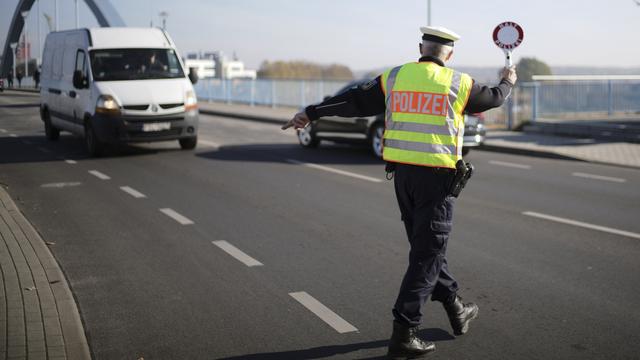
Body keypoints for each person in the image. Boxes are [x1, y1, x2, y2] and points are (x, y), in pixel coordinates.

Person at [282, 26, 517, 359]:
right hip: (437, 180)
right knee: (427, 253)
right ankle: (405, 330)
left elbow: (354, 101)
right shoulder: (459, 83)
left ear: (421, 47)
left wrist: (311, 112)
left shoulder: (395, 78)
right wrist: (509, 80)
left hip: (404, 177)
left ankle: (455, 306)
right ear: (449, 54)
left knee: (426, 248)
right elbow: (495, 98)